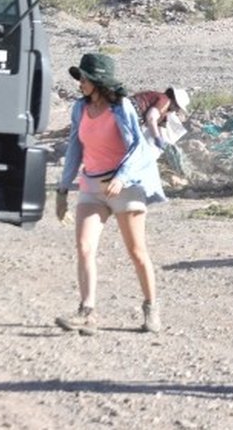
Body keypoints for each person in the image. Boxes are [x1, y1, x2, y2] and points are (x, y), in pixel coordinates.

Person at [55, 53, 166, 336]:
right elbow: (74, 149)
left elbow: (138, 148)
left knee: (137, 251)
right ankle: (87, 312)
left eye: (84, 78)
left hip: (124, 186)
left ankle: (151, 308)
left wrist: (122, 176)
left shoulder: (121, 107)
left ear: (97, 82)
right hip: (92, 185)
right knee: (84, 247)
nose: (79, 83)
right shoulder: (79, 108)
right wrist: (63, 188)